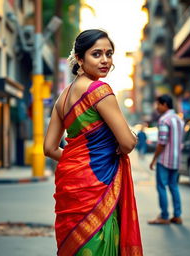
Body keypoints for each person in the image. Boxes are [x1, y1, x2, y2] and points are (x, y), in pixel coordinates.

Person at [44, 29, 143, 255]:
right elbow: (127, 143)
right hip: (98, 182)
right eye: (96, 54)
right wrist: (131, 138)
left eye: (109, 54)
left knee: (76, 245)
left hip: (71, 183)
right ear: (79, 58)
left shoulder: (63, 97)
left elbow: (49, 149)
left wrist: (76, 159)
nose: (105, 60)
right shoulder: (99, 91)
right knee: (100, 243)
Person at [148, 95, 184, 225]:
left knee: (161, 186)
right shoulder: (179, 120)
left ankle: (164, 216)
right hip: (176, 159)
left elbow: (162, 143)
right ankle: (177, 216)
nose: (157, 107)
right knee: (174, 186)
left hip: (164, 160)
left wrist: (154, 159)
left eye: (158, 104)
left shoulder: (164, 120)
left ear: (165, 105)